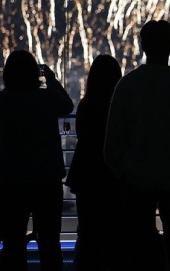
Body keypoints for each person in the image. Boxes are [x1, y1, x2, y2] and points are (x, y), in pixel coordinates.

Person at [104, 20, 170, 271]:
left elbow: (112, 143)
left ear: (142, 45)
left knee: (140, 251)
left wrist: (124, 171)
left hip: (136, 182)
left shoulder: (127, 85)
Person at [0, 51, 73, 271]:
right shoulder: (47, 99)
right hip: (46, 178)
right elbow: (67, 105)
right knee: (49, 243)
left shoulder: (2, 100)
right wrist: (51, 79)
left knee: (12, 243)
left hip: (11, 179)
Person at [65, 55, 125, 270]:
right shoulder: (119, 106)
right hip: (113, 176)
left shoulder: (86, 105)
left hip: (87, 175)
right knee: (114, 231)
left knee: (88, 232)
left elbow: (83, 135)